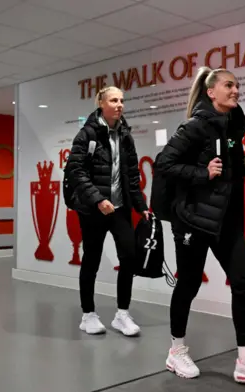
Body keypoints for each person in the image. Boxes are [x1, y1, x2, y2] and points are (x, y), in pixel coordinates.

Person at [154, 67, 245, 386]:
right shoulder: (195, 126)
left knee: (242, 280)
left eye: (237, 86)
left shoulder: (233, 125)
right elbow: (164, 163)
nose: (236, 90)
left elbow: (227, 168)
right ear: (212, 92)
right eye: (229, 85)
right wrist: (201, 172)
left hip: (226, 220)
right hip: (193, 219)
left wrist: (242, 166)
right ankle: (176, 350)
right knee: (189, 283)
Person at [66, 86, 149, 337]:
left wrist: (141, 206)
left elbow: (132, 176)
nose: (119, 104)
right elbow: (75, 171)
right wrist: (98, 200)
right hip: (93, 210)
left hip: (120, 208)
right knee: (91, 259)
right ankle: (88, 315)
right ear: (101, 103)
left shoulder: (125, 135)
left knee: (129, 258)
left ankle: (122, 314)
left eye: (122, 100)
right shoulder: (87, 134)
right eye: (114, 100)